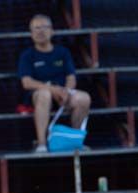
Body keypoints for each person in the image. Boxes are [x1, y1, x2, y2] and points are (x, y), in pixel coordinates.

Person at [17, 14, 89, 154]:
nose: (40, 31)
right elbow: (27, 82)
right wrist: (52, 90)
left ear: (52, 31)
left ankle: (74, 141)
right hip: (40, 94)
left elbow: (71, 77)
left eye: (44, 27)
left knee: (83, 98)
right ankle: (42, 144)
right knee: (44, 95)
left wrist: (66, 92)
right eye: (36, 28)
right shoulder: (27, 55)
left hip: (62, 93)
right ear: (31, 34)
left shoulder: (63, 52)